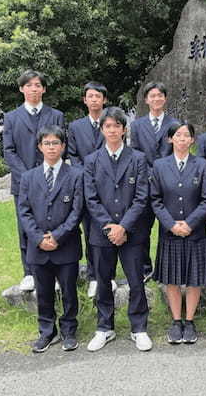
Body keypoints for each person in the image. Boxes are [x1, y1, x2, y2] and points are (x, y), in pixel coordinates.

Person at [83, 107, 152, 352]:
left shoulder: (138, 159)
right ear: (102, 130)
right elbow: (91, 198)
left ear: (124, 129)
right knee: (103, 282)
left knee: (136, 282)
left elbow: (141, 197)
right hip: (101, 233)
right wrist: (109, 226)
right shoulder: (91, 161)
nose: (112, 130)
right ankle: (104, 327)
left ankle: (139, 327)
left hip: (131, 232)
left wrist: (123, 226)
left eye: (116, 126)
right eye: (108, 126)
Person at [18, 125, 83, 353]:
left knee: (69, 292)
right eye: (47, 143)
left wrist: (57, 236)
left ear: (63, 147)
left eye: (56, 143)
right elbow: (23, 212)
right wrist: (38, 238)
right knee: (43, 293)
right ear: (39, 147)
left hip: (66, 245)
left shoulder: (76, 175)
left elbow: (77, 211)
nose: (51, 147)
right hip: (38, 248)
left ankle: (69, 330)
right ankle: (47, 331)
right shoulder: (28, 177)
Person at [150, 122, 206, 344]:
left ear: (193, 140)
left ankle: (190, 320)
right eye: (178, 135)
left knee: (194, 279)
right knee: (173, 278)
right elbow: (155, 200)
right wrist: (171, 224)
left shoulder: (202, 165)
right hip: (170, 232)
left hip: (195, 233)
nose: (182, 139)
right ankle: (176, 321)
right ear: (170, 139)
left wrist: (190, 223)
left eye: (187, 135)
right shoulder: (159, 165)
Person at [3, 70, 64, 292]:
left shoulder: (56, 115)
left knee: (53, 223)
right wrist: (29, 176)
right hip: (23, 182)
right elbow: (9, 151)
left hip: (53, 179)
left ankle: (56, 271)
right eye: (29, 85)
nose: (34, 89)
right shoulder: (11, 118)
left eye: (38, 85)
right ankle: (29, 272)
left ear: (44, 89)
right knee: (26, 226)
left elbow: (59, 146)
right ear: (21, 89)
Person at [67, 81, 115, 298]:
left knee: (110, 229)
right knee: (90, 231)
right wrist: (87, 176)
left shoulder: (112, 124)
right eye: (90, 96)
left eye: (98, 96)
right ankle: (94, 276)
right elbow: (73, 155)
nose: (94, 100)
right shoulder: (76, 127)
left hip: (111, 186)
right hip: (86, 186)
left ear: (104, 100)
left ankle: (109, 275)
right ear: (84, 100)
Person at [129, 82, 180, 281]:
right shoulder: (137, 125)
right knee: (142, 228)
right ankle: (145, 268)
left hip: (170, 185)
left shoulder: (174, 124)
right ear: (146, 100)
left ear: (165, 99)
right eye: (152, 96)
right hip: (145, 183)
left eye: (160, 95)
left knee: (169, 227)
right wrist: (149, 175)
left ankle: (167, 267)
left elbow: (178, 152)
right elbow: (135, 153)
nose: (156, 99)